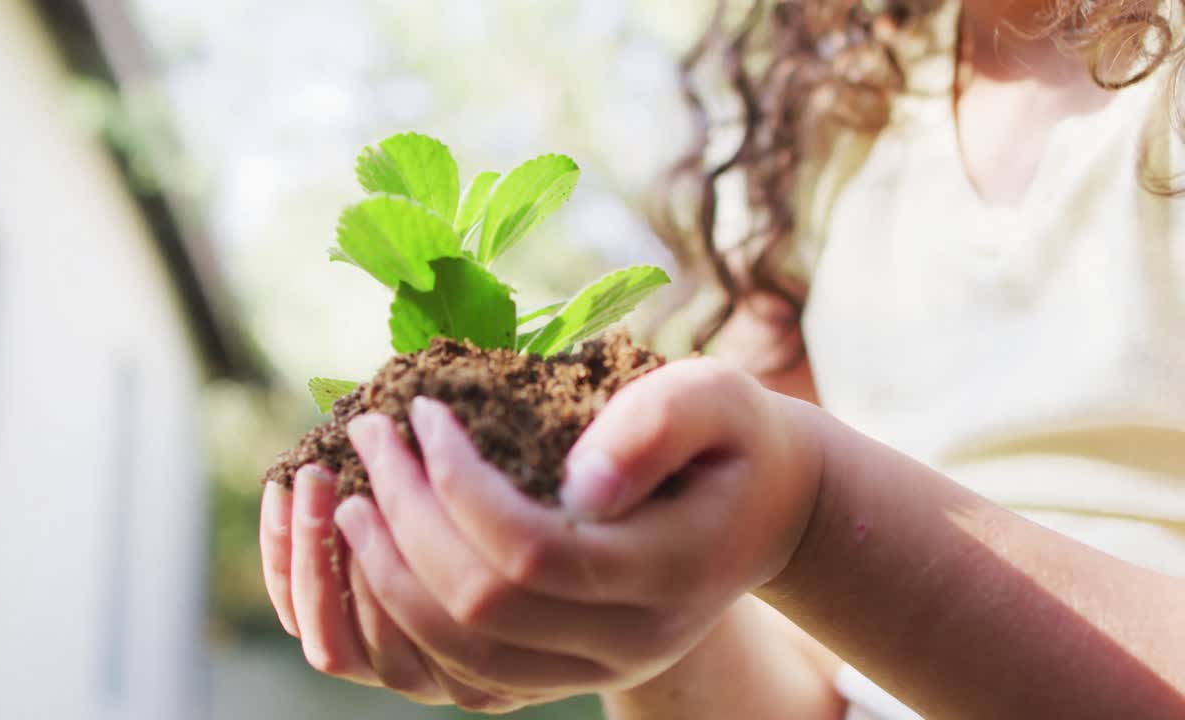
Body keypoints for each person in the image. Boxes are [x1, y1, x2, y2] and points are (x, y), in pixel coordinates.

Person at [259, 1, 1185, 717]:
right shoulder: (840, 106)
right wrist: (634, 607)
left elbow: (803, 525)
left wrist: (816, 516)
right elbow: (794, 683)